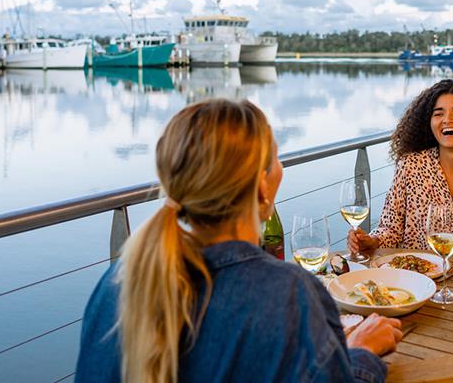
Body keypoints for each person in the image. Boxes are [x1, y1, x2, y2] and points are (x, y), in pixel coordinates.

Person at [76, 99, 402, 383]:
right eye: (276, 159)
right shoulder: (288, 294)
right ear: (262, 188)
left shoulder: (117, 280)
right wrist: (359, 354)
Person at [349, 79, 453, 263]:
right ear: (430, 123)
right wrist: (371, 241)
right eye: (438, 113)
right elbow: (390, 229)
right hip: (414, 284)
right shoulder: (411, 166)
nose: (447, 120)